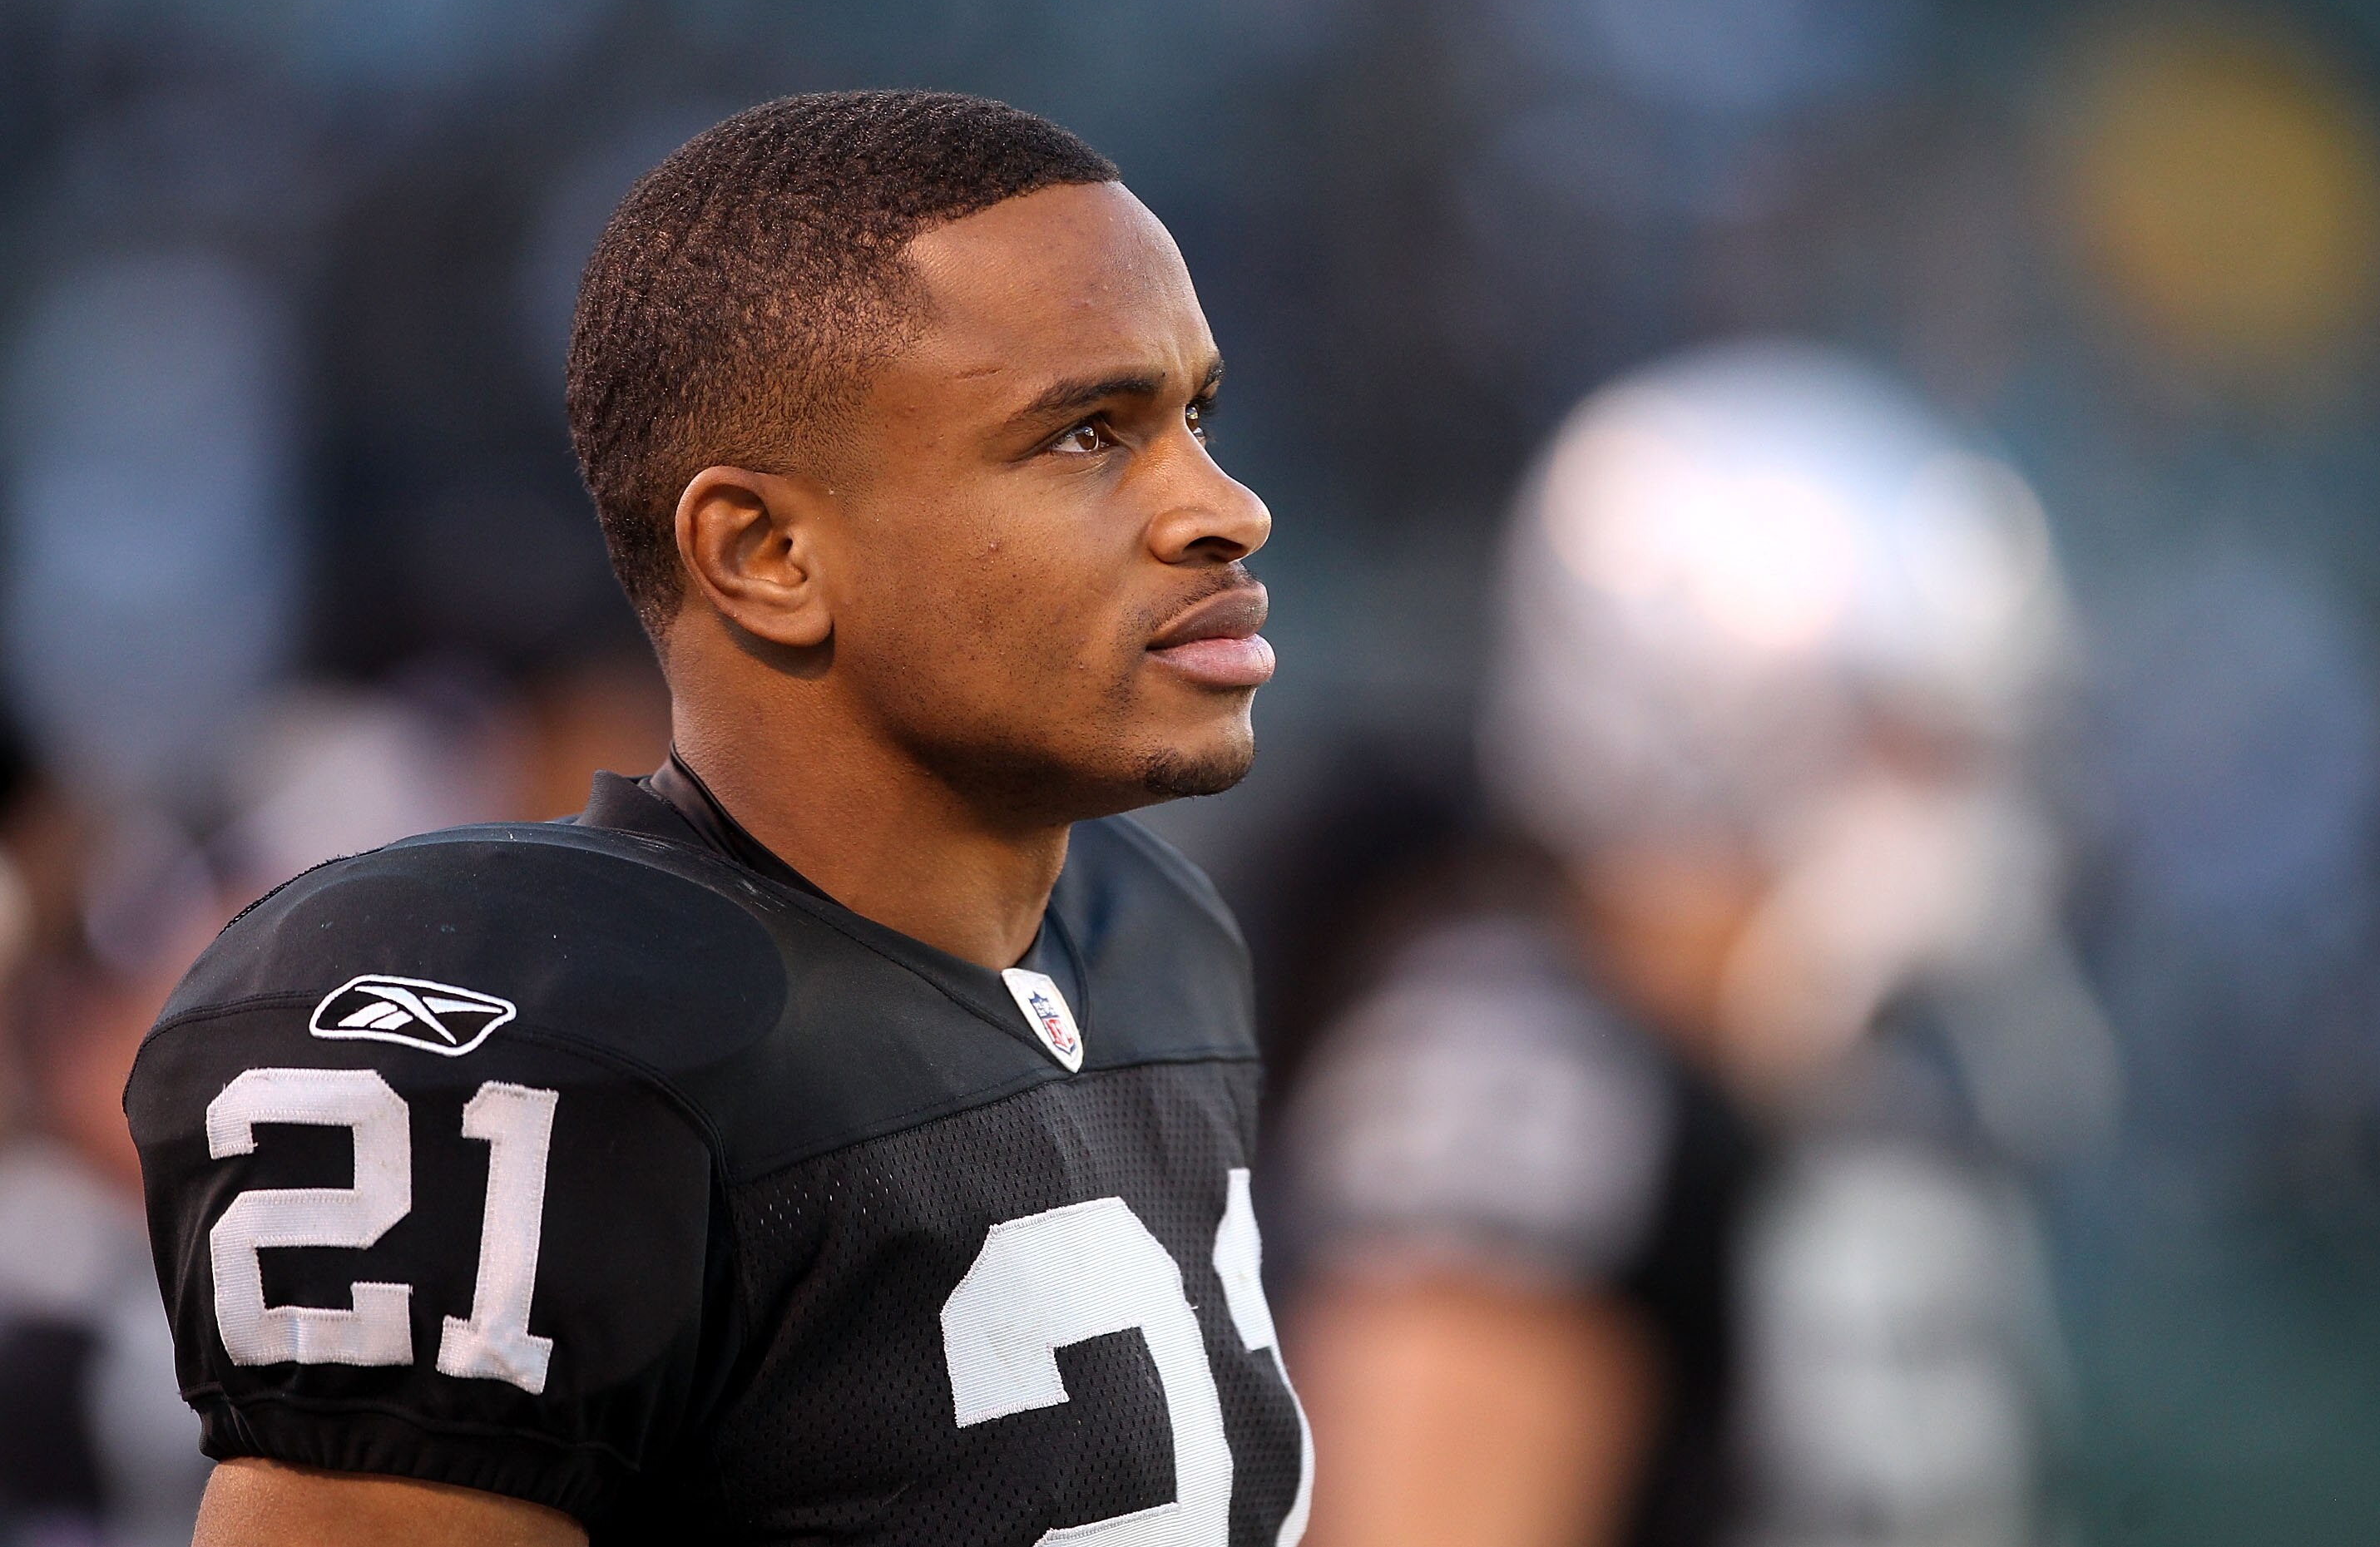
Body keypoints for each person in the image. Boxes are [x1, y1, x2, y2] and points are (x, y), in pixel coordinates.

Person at [122, 91, 1308, 1547]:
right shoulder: (567, 1038)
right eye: (1083, 435)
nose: (1225, 507)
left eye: (1193, 415)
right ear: (765, 553)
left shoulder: (1153, 934)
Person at [1282, 344, 2105, 1547]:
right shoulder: (1521, 1075)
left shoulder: (1850, 1065)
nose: (1957, 813)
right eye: (1904, 741)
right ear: (1696, 722)